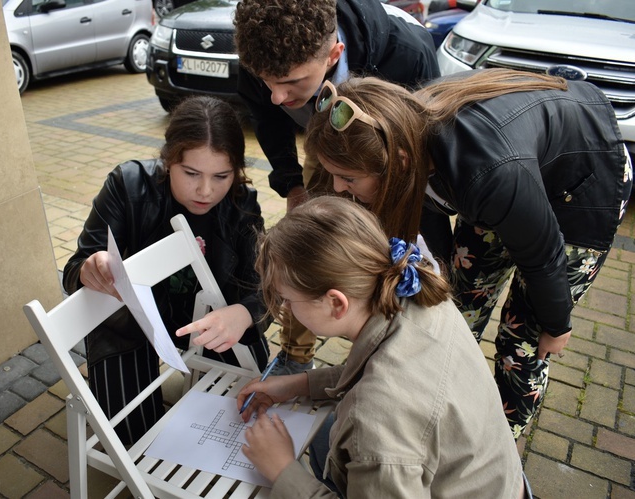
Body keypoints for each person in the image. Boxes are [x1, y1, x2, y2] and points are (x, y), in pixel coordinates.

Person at [303, 69, 633, 437]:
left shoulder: (487, 176)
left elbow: (544, 256)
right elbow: (427, 226)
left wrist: (557, 325)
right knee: (460, 300)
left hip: (581, 186)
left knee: (521, 340)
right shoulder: (404, 131)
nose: (338, 187)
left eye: (348, 178)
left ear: (399, 161)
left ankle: (500, 451)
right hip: (507, 179)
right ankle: (439, 402)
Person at [238, 196, 526, 498]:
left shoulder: (374, 422)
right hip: (498, 479)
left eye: (287, 299)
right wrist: (298, 384)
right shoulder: (412, 291)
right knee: (326, 438)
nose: (286, 307)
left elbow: (385, 397)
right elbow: (383, 373)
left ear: (336, 303)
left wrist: (282, 470)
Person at [233, 0, 440, 376]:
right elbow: (267, 120)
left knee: (388, 247)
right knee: (309, 241)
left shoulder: (407, 53)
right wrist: (293, 186)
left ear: (334, 54)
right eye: (268, 83)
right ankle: (295, 358)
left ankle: (383, 355)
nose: (277, 97)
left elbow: (422, 145)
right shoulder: (258, 52)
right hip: (323, 141)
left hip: (391, 156)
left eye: (292, 82)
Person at [62, 96, 271, 445]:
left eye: (221, 176)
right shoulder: (128, 185)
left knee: (247, 413)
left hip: (208, 322)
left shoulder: (240, 202)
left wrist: (244, 313)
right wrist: (88, 270)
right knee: (137, 440)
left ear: (237, 171)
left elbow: (263, 288)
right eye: (191, 174)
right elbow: (74, 270)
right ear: (169, 159)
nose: (206, 190)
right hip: (133, 327)